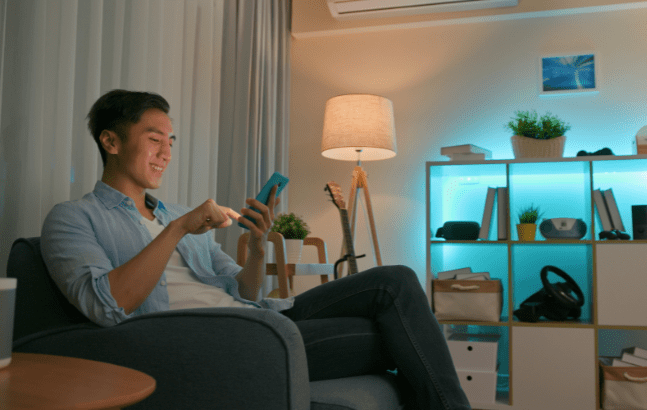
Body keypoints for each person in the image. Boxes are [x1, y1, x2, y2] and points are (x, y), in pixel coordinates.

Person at [41, 89, 471, 410]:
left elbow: (242, 289)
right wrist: (175, 230)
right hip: (223, 338)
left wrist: (258, 248)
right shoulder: (73, 218)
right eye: (154, 139)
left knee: (394, 282)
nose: (165, 152)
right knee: (402, 334)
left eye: (171, 141)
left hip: (260, 314)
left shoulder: (174, 212)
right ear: (111, 142)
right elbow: (106, 305)